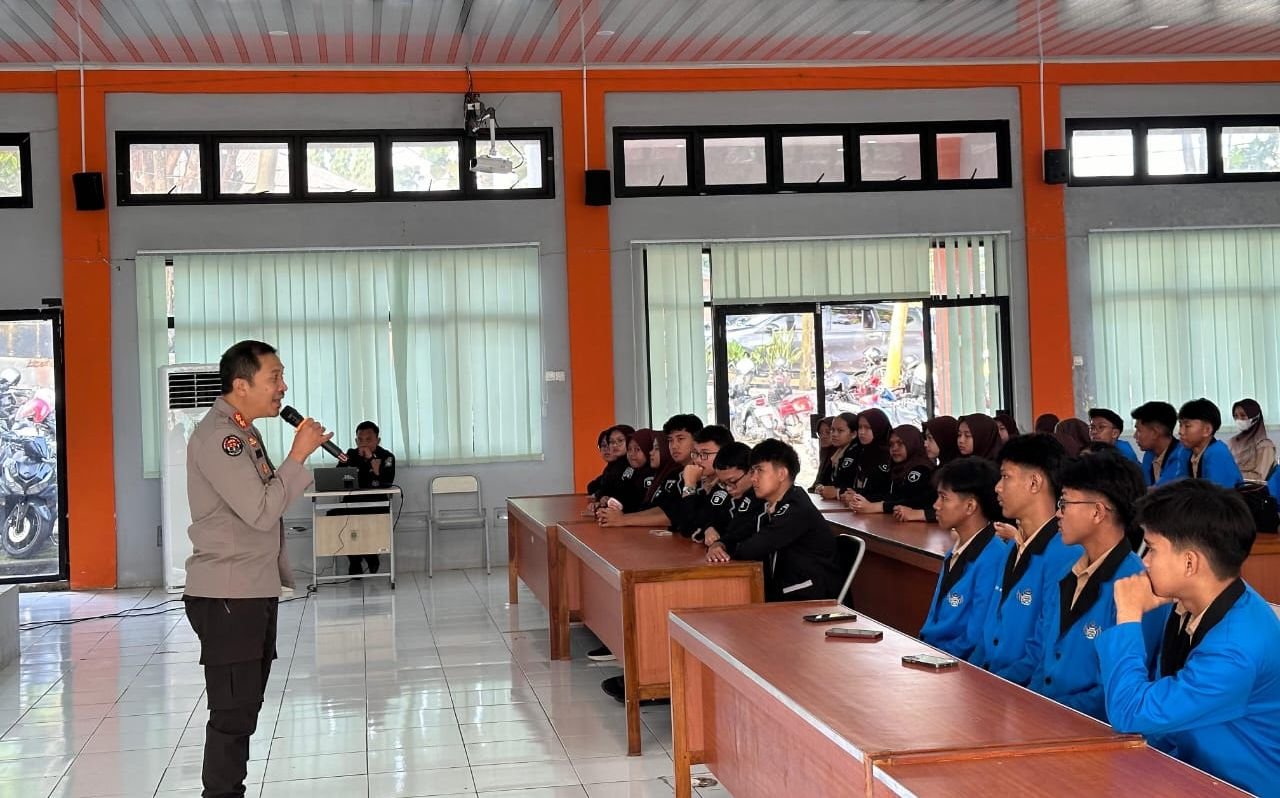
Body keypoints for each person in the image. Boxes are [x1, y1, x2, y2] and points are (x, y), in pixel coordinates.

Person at [184, 340, 330, 798]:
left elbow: (266, 502)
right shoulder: (220, 438)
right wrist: (298, 457)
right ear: (241, 385)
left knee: (244, 707)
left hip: (251, 588)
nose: (283, 386)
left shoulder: (245, 431)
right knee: (231, 714)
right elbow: (262, 511)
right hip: (229, 593)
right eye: (275, 378)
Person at [1097, 480, 1280, 797]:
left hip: (1242, 787)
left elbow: (1131, 712)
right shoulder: (1196, 600)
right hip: (1188, 769)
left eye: (1152, 548)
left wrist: (1127, 616)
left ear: (1190, 562)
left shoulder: (1235, 649)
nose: (1145, 561)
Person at [1028, 450, 1147, 722]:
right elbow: (1043, 658)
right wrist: (1029, 703)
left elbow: (1115, 690)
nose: (1058, 513)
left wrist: (1047, 712)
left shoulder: (1136, 586)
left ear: (1097, 512)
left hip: (1090, 729)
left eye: (1065, 503)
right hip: (1047, 718)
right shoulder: (1065, 571)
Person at [971, 433, 1080, 685]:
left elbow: (1042, 652)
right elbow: (989, 629)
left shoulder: (1066, 553)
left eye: (1006, 476)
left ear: (1034, 483)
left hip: (1019, 692)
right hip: (993, 682)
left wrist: (991, 687)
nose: (997, 487)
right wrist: (971, 674)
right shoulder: (1014, 545)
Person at [707, 439, 842, 602]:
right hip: (786, 594)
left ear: (781, 474)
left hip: (809, 600)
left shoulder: (796, 508)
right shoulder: (770, 504)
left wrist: (725, 550)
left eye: (759, 471)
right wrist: (719, 545)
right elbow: (737, 534)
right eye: (752, 471)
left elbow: (753, 548)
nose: (753, 478)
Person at [919, 458, 1008, 660]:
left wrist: (936, 659)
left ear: (970, 506)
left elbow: (974, 637)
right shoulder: (954, 551)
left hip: (956, 663)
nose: (936, 505)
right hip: (933, 653)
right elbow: (932, 622)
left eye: (944, 498)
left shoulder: (994, 557)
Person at [597, 414, 703, 528]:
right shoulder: (675, 474)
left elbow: (674, 516)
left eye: (680, 439)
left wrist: (624, 520)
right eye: (670, 440)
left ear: (697, 440)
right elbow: (663, 509)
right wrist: (621, 518)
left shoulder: (702, 473)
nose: (674, 446)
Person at [340, 420, 398, 576]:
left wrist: (372, 460)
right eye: (360, 440)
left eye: (368, 439)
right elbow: (336, 478)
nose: (363, 443)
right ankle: (355, 560)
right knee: (334, 517)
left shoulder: (387, 457)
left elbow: (387, 481)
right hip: (351, 504)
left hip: (376, 504)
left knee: (366, 519)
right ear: (355, 440)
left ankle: (371, 555)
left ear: (377, 440)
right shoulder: (349, 455)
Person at [847, 425, 935, 515]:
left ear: (912, 444)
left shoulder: (922, 469)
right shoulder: (895, 468)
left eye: (900, 443)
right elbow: (883, 493)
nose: (894, 448)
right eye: (891, 444)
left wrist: (875, 506)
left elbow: (910, 501)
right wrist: (859, 496)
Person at [670, 425, 734, 536]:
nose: (698, 460)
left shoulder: (732, 487)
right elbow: (682, 524)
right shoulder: (700, 482)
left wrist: (689, 485)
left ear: (724, 453)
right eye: (696, 454)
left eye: (705, 454)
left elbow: (690, 529)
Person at [894, 416, 960, 523]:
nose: (925, 444)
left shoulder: (959, 470)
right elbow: (925, 499)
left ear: (944, 439)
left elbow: (956, 510)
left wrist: (918, 514)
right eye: (925, 438)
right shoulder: (940, 468)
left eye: (930, 438)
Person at [1177, 399, 1244, 489]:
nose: (1180, 432)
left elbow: (1218, 497)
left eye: (1187, 426)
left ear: (1207, 430)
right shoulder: (1185, 452)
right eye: (1180, 425)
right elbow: (1179, 487)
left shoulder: (1218, 453)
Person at [1131, 401, 1191, 487]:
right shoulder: (1149, 455)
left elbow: (1162, 491)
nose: (1135, 436)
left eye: (1139, 431)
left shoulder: (1181, 454)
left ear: (1155, 433)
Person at [603, 429, 655, 513]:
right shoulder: (633, 472)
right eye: (629, 449)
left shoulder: (652, 474)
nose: (631, 454)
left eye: (637, 449)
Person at [844, 408, 892, 499]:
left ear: (879, 428)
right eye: (860, 427)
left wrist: (857, 495)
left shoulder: (889, 455)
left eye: (868, 428)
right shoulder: (859, 451)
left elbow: (884, 493)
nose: (861, 432)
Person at [586, 425, 634, 507]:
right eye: (611, 442)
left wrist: (602, 496)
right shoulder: (612, 467)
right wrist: (602, 496)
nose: (614, 445)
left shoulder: (632, 464)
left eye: (620, 440)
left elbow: (621, 494)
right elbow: (592, 486)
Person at [1228, 398, 1275, 482]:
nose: (1239, 420)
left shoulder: (1265, 446)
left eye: (1243, 416)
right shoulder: (1233, 442)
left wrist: (1231, 475)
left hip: (1251, 492)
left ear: (1255, 418)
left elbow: (1260, 478)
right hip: (1230, 488)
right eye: (1236, 416)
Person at [816, 412, 859, 499]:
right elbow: (823, 481)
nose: (834, 434)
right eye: (832, 430)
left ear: (853, 434)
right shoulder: (838, 453)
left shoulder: (855, 453)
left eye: (840, 431)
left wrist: (837, 492)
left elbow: (847, 485)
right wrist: (821, 488)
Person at [809, 417, 836, 491]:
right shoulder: (825, 454)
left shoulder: (841, 456)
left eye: (828, 432)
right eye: (820, 433)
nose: (823, 436)